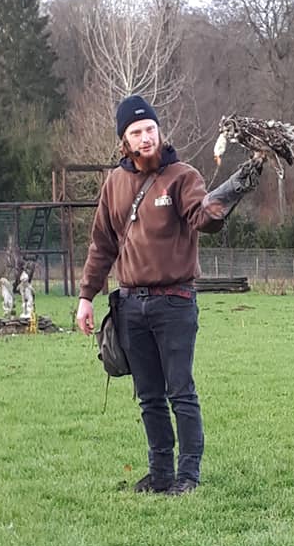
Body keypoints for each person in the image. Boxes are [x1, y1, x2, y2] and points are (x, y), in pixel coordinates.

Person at [76, 94, 260, 495]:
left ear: (160, 132)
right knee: (149, 397)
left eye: (150, 129)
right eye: (136, 132)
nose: (146, 138)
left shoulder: (182, 177)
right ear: (124, 140)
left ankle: (187, 475)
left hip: (174, 301)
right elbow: (101, 245)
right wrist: (86, 296)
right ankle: (160, 474)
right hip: (130, 304)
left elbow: (202, 217)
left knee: (180, 392)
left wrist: (233, 189)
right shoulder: (114, 183)